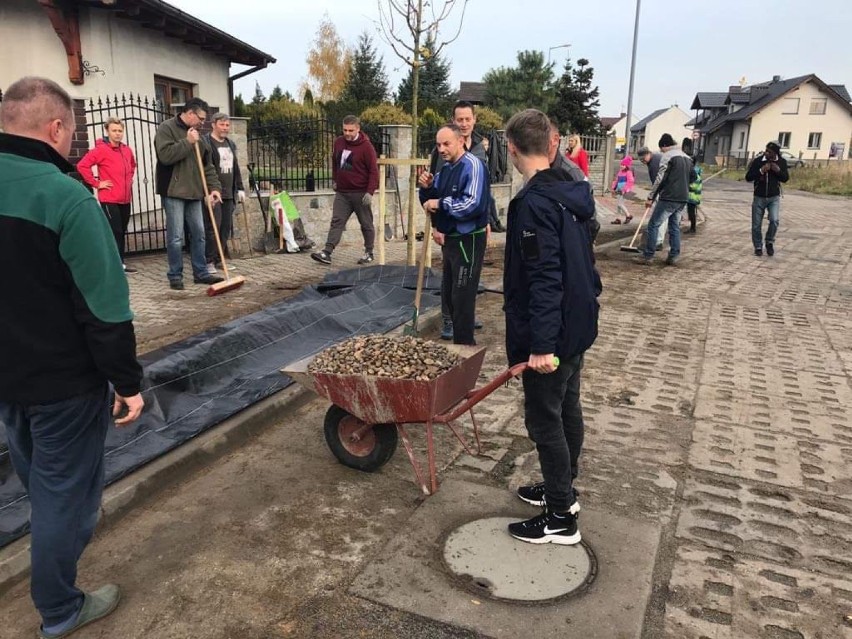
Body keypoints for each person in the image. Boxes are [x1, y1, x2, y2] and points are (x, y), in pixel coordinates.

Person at [0, 76, 144, 638]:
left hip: (8, 380)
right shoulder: (65, 196)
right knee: (65, 498)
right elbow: (106, 307)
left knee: (41, 484)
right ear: (55, 127)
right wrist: (127, 382)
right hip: (63, 384)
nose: (74, 147)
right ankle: (60, 608)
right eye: (73, 135)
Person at [502, 109, 600, 545]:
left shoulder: (535, 204)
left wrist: (540, 345)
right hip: (576, 324)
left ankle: (560, 517)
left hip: (552, 334)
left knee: (545, 421)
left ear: (510, 148)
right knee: (567, 410)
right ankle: (564, 488)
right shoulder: (571, 190)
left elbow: (545, 278)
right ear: (553, 144)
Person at [418, 124, 490, 346]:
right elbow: (430, 202)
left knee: (463, 294)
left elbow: (473, 204)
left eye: (446, 143)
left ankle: (465, 345)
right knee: (449, 291)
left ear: (460, 141)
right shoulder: (446, 169)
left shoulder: (473, 166)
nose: (441, 149)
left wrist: (440, 203)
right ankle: (458, 338)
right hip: (450, 239)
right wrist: (428, 188)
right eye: (438, 144)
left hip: (468, 239)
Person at [155, 98, 224, 290]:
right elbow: (165, 156)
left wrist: (214, 188)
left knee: (199, 234)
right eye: (201, 118)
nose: (203, 122)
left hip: (195, 192)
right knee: (176, 237)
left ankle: (201, 273)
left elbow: (207, 166)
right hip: (173, 191)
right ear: (191, 113)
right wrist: (187, 142)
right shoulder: (166, 128)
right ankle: (175, 275)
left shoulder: (200, 137)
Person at [311, 115, 379, 265]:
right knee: (337, 221)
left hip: (361, 193)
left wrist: (370, 191)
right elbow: (335, 162)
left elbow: (374, 171)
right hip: (343, 192)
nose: (347, 133)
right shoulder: (339, 142)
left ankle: (369, 252)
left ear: (358, 129)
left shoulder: (366, 147)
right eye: (345, 130)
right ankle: (326, 252)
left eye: (351, 130)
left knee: (366, 223)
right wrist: (335, 179)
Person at [76, 117, 138, 273]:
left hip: (124, 198)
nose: (117, 134)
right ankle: (113, 265)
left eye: (120, 131)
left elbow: (132, 165)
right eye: (114, 131)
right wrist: (97, 183)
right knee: (114, 231)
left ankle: (120, 263)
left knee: (121, 231)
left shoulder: (126, 150)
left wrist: (129, 179)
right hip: (109, 199)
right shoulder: (101, 150)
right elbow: (82, 166)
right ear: (107, 131)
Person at [639, 133, 692, 265]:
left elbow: (660, 179)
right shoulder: (686, 157)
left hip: (669, 197)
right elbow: (694, 177)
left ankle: (648, 255)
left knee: (653, 225)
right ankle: (673, 255)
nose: (661, 151)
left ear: (664, 146)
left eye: (661, 148)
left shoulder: (667, 157)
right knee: (674, 226)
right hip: (683, 197)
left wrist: (651, 197)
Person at [203, 112, 246, 273]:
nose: (225, 128)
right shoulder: (207, 143)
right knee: (213, 226)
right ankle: (209, 261)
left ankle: (220, 259)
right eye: (222, 124)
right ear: (213, 124)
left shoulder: (230, 144)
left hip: (229, 193)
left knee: (225, 228)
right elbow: (206, 168)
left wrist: (240, 187)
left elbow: (235, 168)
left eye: (227, 125)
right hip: (214, 193)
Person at [548, 122, 600, 246]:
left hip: (575, 180)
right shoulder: (567, 153)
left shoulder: (580, 154)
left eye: (572, 141)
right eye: (569, 141)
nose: (570, 143)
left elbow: (583, 169)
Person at [746, 141, 788, 256]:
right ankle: (758, 246)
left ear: (775, 153)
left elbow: (785, 178)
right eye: (766, 150)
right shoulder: (759, 161)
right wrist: (761, 170)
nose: (767, 153)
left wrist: (778, 170)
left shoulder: (781, 162)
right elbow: (748, 177)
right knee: (756, 224)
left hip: (773, 197)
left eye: (770, 152)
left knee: (774, 220)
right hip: (759, 196)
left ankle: (769, 241)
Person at [637, 145, 666, 248]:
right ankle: (659, 240)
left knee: (659, 216)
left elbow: (657, 182)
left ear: (648, 154)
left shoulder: (654, 163)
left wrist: (651, 198)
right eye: (640, 159)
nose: (642, 161)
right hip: (666, 191)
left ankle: (658, 241)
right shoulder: (655, 158)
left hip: (662, 192)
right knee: (663, 217)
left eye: (643, 158)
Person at [610, 156, 636, 224]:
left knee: (620, 204)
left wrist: (625, 189)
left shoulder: (628, 172)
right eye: (621, 164)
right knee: (618, 205)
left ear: (627, 166)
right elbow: (616, 181)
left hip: (624, 191)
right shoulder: (620, 172)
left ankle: (628, 215)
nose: (621, 166)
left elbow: (630, 181)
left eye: (623, 165)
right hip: (619, 190)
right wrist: (613, 188)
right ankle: (618, 219)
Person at [687, 162, 702, 233]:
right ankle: (692, 227)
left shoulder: (696, 177)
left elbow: (693, 186)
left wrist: (686, 185)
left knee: (691, 213)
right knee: (691, 212)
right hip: (692, 197)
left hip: (693, 198)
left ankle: (693, 228)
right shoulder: (696, 175)